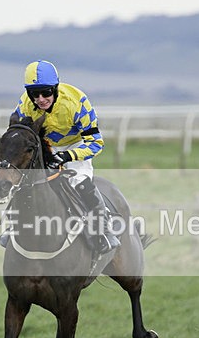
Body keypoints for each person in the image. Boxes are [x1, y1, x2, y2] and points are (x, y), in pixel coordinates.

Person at [9, 59, 120, 254]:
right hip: (46, 146)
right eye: (34, 94)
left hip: (76, 145)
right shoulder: (25, 105)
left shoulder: (77, 102)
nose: (41, 99)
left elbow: (96, 143)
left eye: (46, 92)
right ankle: (11, 228)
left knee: (81, 183)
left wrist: (69, 156)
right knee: (22, 182)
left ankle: (103, 231)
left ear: (55, 88)